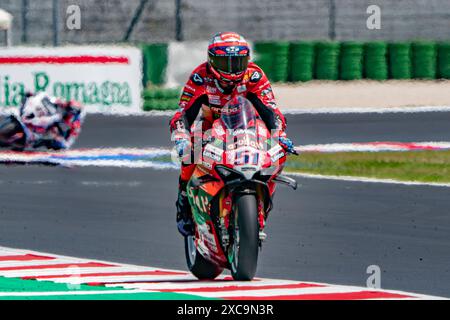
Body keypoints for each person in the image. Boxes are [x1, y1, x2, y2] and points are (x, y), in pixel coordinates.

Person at [169, 32, 295, 236]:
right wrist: (182, 138)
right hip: (211, 126)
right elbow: (183, 114)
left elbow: (271, 110)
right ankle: (184, 201)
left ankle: (262, 203)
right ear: (211, 61)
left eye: (237, 62)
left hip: (249, 126)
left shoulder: (254, 75)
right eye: (224, 62)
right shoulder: (201, 76)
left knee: (276, 153)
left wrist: (279, 134)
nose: (232, 69)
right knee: (189, 154)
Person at [20, 91, 84, 150]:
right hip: (51, 115)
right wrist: (36, 94)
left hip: (56, 128)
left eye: (71, 111)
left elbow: (71, 138)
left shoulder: (75, 123)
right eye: (68, 108)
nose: (68, 111)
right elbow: (51, 98)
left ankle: (40, 141)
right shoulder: (64, 103)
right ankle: (24, 112)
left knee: (59, 143)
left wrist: (64, 142)